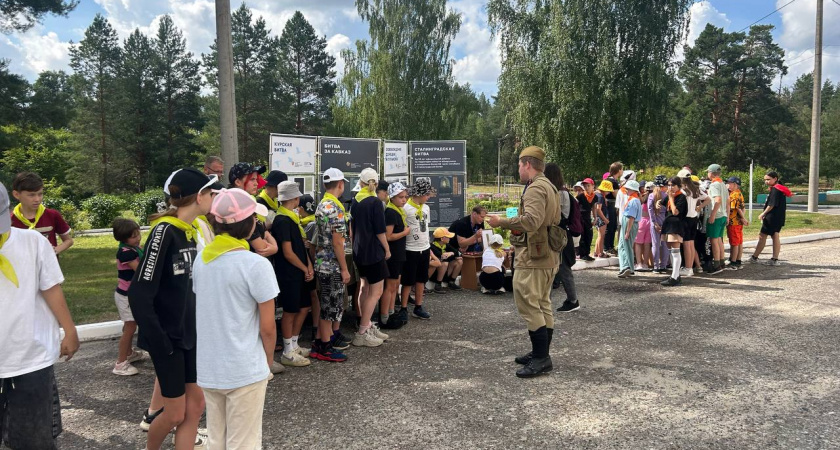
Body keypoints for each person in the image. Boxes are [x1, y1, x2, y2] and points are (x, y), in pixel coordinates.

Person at [128, 168, 215, 450]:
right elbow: (140, 293)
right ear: (199, 196)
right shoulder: (165, 231)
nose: (214, 198)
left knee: (196, 406)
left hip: (190, 335)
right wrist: (158, 340)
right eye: (212, 193)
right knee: (175, 413)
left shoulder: (191, 231)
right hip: (168, 339)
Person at [191, 188, 277, 449]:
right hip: (245, 369)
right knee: (244, 443)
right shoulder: (256, 265)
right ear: (251, 225)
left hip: (209, 367)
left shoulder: (201, 261)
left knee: (217, 439)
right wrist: (268, 362)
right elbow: (268, 327)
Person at [0, 181, 79, 450]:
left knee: (35, 440)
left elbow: (51, 289)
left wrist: (70, 330)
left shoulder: (32, 242)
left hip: (29, 358)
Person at [487, 146, 561, 379]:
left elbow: (531, 221)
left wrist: (502, 222)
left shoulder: (535, 188)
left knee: (529, 304)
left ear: (527, 164)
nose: (518, 169)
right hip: (546, 254)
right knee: (542, 303)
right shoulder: (548, 185)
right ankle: (540, 353)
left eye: (519, 165)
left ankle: (541, 358)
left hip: (534, 258)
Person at [271, 181, 315, 366]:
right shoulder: (282, 220)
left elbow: (301, 245)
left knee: (304, 306)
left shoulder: (292, 218)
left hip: (300, 270)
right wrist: (305, 267)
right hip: (289, 273)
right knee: (290, 310)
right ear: (295, 198)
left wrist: (308, 265)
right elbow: (287, 252)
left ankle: (295, 344)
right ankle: (287, 350)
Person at [311, 168, 352, 362]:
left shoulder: (323, 204)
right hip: (332, 265)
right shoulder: (335, 208)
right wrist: (344, 268)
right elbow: (338, 242)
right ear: (341, 184)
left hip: (321, 262)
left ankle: (319, 343)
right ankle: (325, 348)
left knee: (326, 304)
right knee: (330, 308)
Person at [350, 168, 391, 347]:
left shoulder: (356, 201)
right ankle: (363, 331)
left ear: (361, 182)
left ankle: (365, 325)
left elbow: (352, 229)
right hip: (373, 252)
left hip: (359, 251)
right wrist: (387, 249)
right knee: (376, 291)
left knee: (364, 288)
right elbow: (380, 231)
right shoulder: (375, 202)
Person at [111, 217, 149, 376]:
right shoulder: (126, 253)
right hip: (126, 296)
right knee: (130, 327)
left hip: (130, 294)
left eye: (138, 234)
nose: (138, 238)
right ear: (123, 238)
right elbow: (140, 270)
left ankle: (128, 353)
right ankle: (120, 363)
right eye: (134, 236)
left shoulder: (132, 249)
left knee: (130, 326)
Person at [10, 172, 73, 255]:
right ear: (16, 194)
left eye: (40, 194)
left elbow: (69, 240)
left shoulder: (52, 215)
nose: (37, 199)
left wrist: (55, 250)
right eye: (31, 195)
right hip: (21, 267)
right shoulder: (9, 220)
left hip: (49, 267)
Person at [544, 163, 579, 312]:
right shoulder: (562, 192)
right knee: (560, 268)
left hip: (557, 234)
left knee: (559, 268)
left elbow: (557, 216)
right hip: (561, 233)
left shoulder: (558, 193)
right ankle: (571, 300)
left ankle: (571, 300)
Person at [400, 178, 434, 321]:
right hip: (410, 249)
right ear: (420, 193)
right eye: (427, 194)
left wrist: (429, 247)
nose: (428, 197)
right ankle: (403, 307)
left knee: (421, 279)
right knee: (408, 280)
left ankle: (418, 307)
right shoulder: (406, 208)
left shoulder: (426, 208)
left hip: (424, 247)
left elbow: (426, 226)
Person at [229, 162, 278, 258]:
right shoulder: (236, 205)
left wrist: (274, 247)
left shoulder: (249, 202)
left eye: (256, 179)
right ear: (238, 182)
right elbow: (260, 247)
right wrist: (273, 247)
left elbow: (264, 230)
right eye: (252, 179)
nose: (256, 183)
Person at [380, 182, 411, 330]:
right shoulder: (391, 213)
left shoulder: (398, 211)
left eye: (405, 197)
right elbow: (388, 236)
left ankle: (391, 312)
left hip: (399, 253)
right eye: (400, 197)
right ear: (392, 198)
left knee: (395, 285)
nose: (404, 200)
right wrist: (404, 233)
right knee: (390, 286)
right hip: (392, 254)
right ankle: (385, 316)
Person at [748, 171, 792, 266]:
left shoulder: (776, 189)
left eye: (768, 179)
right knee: (775, 235)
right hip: (778, 216)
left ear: (775, 179)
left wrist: (763, 213)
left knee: (763, 236)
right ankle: (773, 258)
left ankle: (755, 257)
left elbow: (772, 204)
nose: (766, 181)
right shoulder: (779, 188)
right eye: (765, 180)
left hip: (772, 217)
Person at [660, 177, 688, 287]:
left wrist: (671, 198)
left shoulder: (681, 197)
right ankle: (675, 274)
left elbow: (675, 212)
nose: (670, 187)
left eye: (673, 185)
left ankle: (675, 277)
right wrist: (659, 202)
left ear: (678, 186)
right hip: (668, 225)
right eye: (669, 185)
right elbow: (663, 203)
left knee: (675, 251)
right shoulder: (670, 196)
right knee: (670, 250)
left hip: (676, 226)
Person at [680, 175, 709, 277]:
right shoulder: (696, 190)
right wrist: (699, 207)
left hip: (686, 218)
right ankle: (690, 267)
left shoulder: (684, 191)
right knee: (691, 244)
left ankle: (688, 268)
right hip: (694, 218)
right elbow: (708, 199)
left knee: (687, 245)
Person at [705, 164, 730, 275]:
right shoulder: (723, 184)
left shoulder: (714, 185)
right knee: (719, 239)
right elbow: (728, 201)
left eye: (708, 172)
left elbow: (718, 200)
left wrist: (712, 215)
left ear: (711, 173)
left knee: (714, 240)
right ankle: (721, 261)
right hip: (723, 214)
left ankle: (716, 265)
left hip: (717, 215)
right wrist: (727, 215)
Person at [617, 180, 642, 278]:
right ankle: (628, 267)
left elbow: (631, 217)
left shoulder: (633, 201)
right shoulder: (635, 199)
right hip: (630, 224)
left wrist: (627, 232)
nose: (626, 190)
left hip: (629, 225)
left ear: (633, 190)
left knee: (625, 246)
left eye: (628, 188)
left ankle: (626, 266)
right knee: (624, 245)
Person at [430, 227, 462, 293]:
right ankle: (438, 284)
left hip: (445, 271)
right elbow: (441, 257)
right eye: (447, 237)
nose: (449, 238)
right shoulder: (432, 246)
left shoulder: (446, 245)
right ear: (442, 238)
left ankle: (451, 281)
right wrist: (450, 255)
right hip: (435, 273)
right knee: (444, 263)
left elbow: (456, 252)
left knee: (459, 261)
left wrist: (451, 253)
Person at [648, 175, 670, 274]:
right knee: (665, 244)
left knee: (655, 244)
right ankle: (664, 265)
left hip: (655, 221)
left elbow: (650, 210)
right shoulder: (667, 196)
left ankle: (656, 266)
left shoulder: (651, 196)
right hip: (665, 221)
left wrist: (654, 222)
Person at [726, 176, 748, 270]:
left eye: (729, 183)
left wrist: (743, 218)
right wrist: (743, 218)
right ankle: (738, 259)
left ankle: (733, 261)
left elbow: (737, 208)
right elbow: (743, 207)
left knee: (734, 242)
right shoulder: (739, 193)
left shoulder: (734, 195)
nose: (727, 185)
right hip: (738, 222)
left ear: (734, 184)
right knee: (739, 242)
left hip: (734, 221)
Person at [603, 162, 623, 255]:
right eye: (621, 169)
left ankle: (609, 246)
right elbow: (616, 195)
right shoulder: (613, 182)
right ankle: (608, 247)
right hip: (611, 204)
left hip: (608, 203)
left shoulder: (608, 179)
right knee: (611, 226)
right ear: (618, 170)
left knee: (612, 226)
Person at [576, 178, 597, 262]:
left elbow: (594, 207)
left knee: (589, 235)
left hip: (588, 217)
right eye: (585, 186)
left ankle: (587, 253)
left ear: (593, 186)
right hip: (581, 217)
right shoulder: (581, 196)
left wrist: (595, 217)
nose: (586, 187)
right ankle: (582, 253)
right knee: (582, 235)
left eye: (588, 186)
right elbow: (575, 205)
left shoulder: (594, 197)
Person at [634, 182, 653, 272]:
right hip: (650, 221)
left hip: (641, 220)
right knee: (647, 244)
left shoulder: (642, 197)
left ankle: (639, 263)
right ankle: (645, 263)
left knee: (638, 243)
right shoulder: (654, 196)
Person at [594, 180, 612, 258]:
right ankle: (601, 252)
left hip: (598, 218)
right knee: (602, 235)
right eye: (608, 191)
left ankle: (596, 251)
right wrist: (605, 219)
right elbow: (598, 209)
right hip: (601, 218)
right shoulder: (600, 196)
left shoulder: (597, 194)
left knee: (599, 235)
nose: (609, 193)